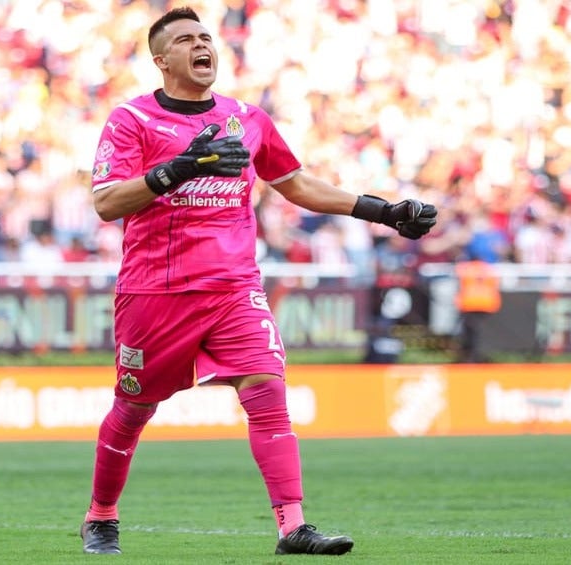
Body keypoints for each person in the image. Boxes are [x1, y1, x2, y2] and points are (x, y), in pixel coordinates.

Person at [80, 6, 438, 556]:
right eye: (186, 40)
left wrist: (383, 211)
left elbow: (295, 184)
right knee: (133, 409)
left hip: (234, 290)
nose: (203, 45)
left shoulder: (246, 118)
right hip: (156, 293)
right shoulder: (132, 120)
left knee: (267, 391)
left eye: (206, 37)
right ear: (161, 60)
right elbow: (106, 202)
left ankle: (292, 526)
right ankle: (101, 515)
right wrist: (180, 167)